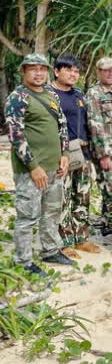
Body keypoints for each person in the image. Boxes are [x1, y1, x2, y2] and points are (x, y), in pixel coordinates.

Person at [5, 53, 72, 274]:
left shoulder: (51, 94)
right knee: (28, 216)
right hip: (32, 171)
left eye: (42, 69)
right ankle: (23, 261)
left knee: (52, 211)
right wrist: (33, 167)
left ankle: (50, 250)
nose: (38, 73)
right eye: (33, 69)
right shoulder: (18, 97)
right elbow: (16, 136)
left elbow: (61, 125)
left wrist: (65, 154)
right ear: (23, 71)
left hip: (55, 167)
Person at [51, 54, 100, 256]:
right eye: (69, 69)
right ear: (56, 71)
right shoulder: (48, 95)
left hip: (82, 154)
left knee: (82, 196)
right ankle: (64, 242)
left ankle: (81, 238)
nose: (74, 74)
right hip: (59, 154)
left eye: (77, 71)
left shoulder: (79, 95)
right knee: (62, 198)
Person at [86, 57, 112, 255]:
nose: (111, 73)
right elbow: (96, 126)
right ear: (99, 72)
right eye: (107, 70)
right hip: (108, 154)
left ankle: (109, 226)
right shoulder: (94, 94)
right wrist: (103, 154)